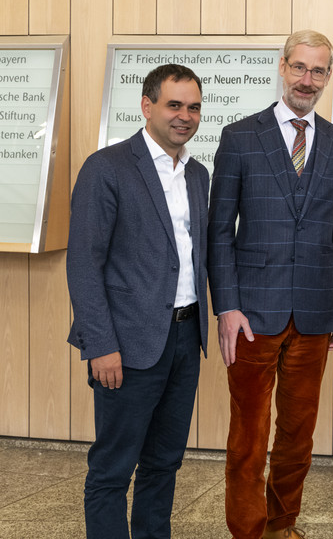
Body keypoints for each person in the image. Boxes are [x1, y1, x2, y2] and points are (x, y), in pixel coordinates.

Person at [208, 30, 333, 539]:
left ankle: (281, 525)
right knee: (249, 436)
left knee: (298, 435)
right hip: (251, 314)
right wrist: (227, 305)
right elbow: (219, 229)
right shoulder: (240, 137)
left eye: (318, 71)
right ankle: (248, 531)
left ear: (327, 77)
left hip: (315, 313)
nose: (307, 79)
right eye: (300, 67)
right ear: (282, 66)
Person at [67, 64, 209, 538]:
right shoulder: (106, 168)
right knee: (112, 470)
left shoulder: (197, 175)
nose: (184, 116)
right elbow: (85, 264)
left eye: (192, 107)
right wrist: (100, 345)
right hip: (126, 345)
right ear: (147, 106)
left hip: (186, 339)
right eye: (174, 105)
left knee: (164, 463)